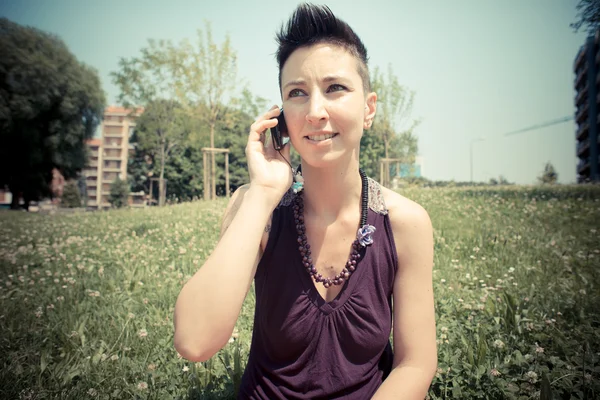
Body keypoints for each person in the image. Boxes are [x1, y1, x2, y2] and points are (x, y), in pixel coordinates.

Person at [174, 3, 437, 399]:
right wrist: (263, 192)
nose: (315, 112)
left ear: (368, 109)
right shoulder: (255, 208)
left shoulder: (405, 223)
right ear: (280, 117)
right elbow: (194, 341)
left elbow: (415, 363)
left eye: (335, 88)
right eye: (297, 93)